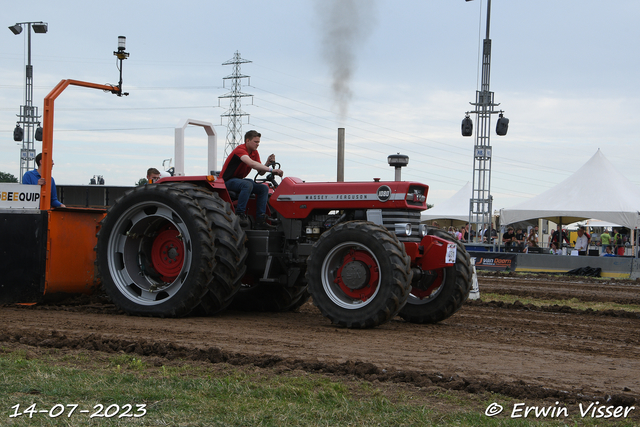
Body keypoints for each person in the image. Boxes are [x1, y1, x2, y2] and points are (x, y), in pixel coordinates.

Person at [219, 130, 283, 229]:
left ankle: (260, 219)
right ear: (247, 140)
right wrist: (272, 170)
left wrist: (267, 163)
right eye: (255, 142)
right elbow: (252, 164)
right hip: (226, 182)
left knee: (263, 188)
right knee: (247, 184)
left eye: (258, 142)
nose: (258, 144)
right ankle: (240, 214)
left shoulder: (254, 153)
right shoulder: (240, 150)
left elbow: (260, 171)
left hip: (238, 181)